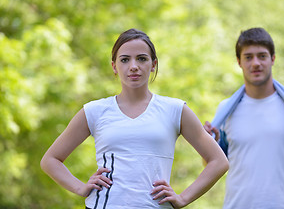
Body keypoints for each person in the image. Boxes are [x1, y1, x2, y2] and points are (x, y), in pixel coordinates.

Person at [41, 28, 229, 209]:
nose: (133, 66)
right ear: (114, 66)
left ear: (153, 64)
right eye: (125, 60)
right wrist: (81, 188)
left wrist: (183, 198)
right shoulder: (95, 111)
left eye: (141, 59)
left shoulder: (175, 109)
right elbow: (50, 160)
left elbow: (219, 162)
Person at [204, 27, 284, 209]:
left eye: (262, 56)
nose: (255, 63)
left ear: (273, 59)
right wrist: (209, 143)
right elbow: (211, 164)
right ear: (239, 62)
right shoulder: (226, 110)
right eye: (248, 57)